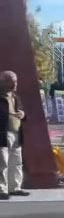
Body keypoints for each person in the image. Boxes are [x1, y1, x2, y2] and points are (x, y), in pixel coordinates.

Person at [0, 71, 28, 200]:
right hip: (3, 133)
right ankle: (1, 189)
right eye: (11, 82)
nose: (15, 84)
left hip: (16, 132)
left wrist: (23, 114)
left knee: (16, 162)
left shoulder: (15, 97)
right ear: (3, 82)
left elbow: (21, 112)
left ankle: (15, 188)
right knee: (2, 163)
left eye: (15, 81)